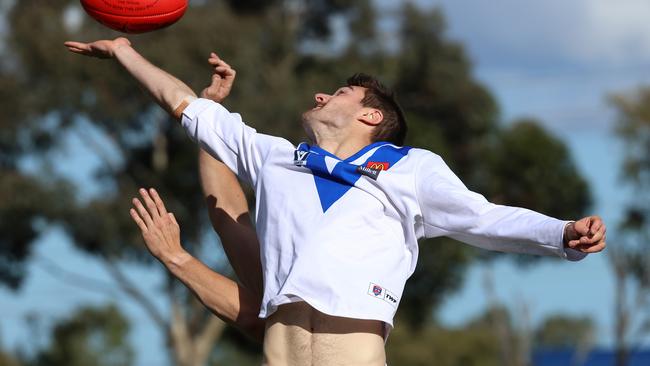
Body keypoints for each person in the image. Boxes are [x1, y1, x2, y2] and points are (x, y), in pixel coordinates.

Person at [65, 37, 607, 366]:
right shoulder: (276, 158)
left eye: (340, 93)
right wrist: (125, 53)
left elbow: (484, 218)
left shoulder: (410, 168)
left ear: (372, 117)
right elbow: (185, 109)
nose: (321, 95)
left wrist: (561, 234)